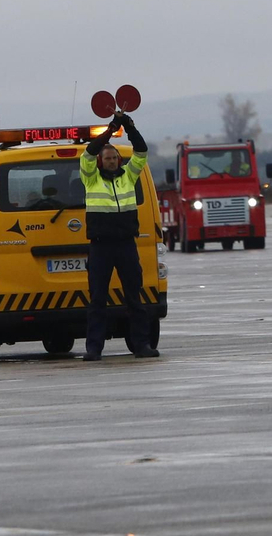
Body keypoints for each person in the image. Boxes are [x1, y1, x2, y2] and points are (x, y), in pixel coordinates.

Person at [80, 110, 158, 360]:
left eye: (115, 157)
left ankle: (142, 346)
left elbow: (142, 151)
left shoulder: (130, 176)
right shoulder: (90, 179)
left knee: (135, 298)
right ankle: (94, 349)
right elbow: (89, 152)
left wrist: (130, 127)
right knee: (97, 301)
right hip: (101, 247)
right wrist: (110, 131)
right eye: (108, 158)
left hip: (126, 245)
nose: (112, 161)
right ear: (101, 162)